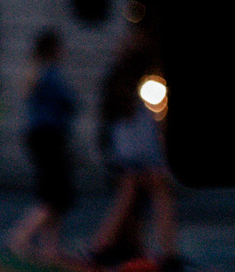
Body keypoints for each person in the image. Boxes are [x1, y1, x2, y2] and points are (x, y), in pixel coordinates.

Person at [87, 30, 180, 270]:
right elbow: (158, 116)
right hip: (143, 151)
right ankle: (168, 253)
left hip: (124, 150)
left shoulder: (116, 80)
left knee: (127, 199)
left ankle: (103, 247)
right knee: (160, 196)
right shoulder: (147, 82)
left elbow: (107, 121)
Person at [9, 28, 78, 263]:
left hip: (41, 136)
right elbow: (69, 101)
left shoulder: (36, 72)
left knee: (53, 192)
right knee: (56, 193)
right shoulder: (50, 74)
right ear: (53, 49)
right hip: (50, 136)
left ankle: (51, 247)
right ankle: (21, 236)